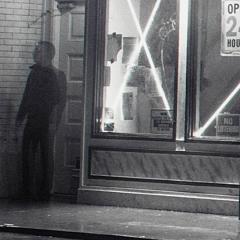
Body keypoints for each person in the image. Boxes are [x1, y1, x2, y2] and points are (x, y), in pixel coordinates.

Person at [15, 41, 62, 201]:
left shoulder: (56, 75)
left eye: (39, 51)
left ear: (48, 54)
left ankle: (44, 192)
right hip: (32, 120)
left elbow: (58, 102)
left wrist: (53, 123)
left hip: (45, 121)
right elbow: (26, 98)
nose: (35, 53)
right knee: (27, 156)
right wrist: (19, 119)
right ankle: (27, 190)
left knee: (45, 157)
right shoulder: (33, 73)